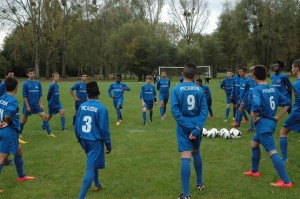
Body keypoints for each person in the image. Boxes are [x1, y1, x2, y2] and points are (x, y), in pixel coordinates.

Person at [243, 65, 292, 188]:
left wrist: (254, 119)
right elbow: (287, 103)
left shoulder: (256, 89)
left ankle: (286, 182)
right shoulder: (273, 89)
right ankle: (255, 171)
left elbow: (256, 106)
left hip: (263, 124)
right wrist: (278, 117)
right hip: (270, 122)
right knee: (254, 144)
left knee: (272, 152)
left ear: (254, 76)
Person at [171, 63, 208, 199]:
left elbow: (175, 110)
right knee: (196, 151)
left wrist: (187, 126)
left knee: (186, 155)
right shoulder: (199, 89)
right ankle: (200, 183)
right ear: (195, 76)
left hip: (183, 125)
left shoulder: (176, 89)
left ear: (182, 74)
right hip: (197, 123)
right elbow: (204, 110)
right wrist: (197, 128)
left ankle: (186, 195)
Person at [75, 81, 112, 199]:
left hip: (83, 139)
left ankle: (98, 184)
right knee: (90, 168)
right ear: (99, 93)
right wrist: (108, 144)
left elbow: (77, 124)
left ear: (87, 94)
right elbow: (104, 130)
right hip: (94, 141)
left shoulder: (82, 106)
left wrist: (79, 139)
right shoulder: (101, 108)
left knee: (93, 161)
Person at [0, 77, 36, 193]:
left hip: (6, 131)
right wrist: (7, 122)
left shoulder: (2, 97)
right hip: (9, 132)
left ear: (5, 87)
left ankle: (21, 176)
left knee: (19, 151)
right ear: (16, 87)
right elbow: (8, 115)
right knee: (2, 159)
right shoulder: (12, 100)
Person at [20, 68, 55, 138]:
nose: (32, 74)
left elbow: (40, 94)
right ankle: (18, 133)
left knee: (44, 116)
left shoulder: (38, 83)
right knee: (24, 119)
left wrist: (41, 104)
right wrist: (27, 106)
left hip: (36, 106)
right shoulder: (25, 84)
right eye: (30, 73)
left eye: (33, 73)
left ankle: (49, 133)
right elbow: (24, 96)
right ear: (27, 74)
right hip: (29, 105)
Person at [279, 58, 300, 164]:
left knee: (283, 132)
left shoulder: (296, 84)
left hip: (297, 113)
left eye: (292, 67)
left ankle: (284, 159)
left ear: (297, 68)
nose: (291, 69)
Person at [247, 66, 257, 133]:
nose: (251, 73)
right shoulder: (249, 80)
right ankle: (252, 128)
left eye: (252, 71)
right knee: (252, 113)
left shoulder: (258, 80)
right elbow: (247, 89)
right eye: (250, 72)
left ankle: (252, 128)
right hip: (250, 100)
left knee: (254, 113)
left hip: (256, 100)